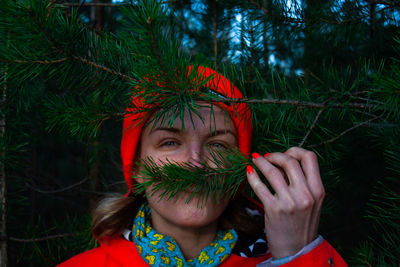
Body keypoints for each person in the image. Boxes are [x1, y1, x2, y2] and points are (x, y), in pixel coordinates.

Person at [58, 66, 347, 266]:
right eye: (170, 142)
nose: (196, 163)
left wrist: (296, 257)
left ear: (240, 170)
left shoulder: (303, 259)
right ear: (137, 169)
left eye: (218, 145)